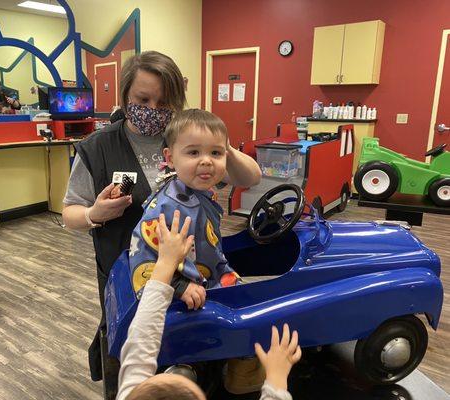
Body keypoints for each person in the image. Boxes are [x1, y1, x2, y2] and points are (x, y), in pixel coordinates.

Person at [61, 51, 261, 390]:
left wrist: (216, 142)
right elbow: (70, 213)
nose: (153, 109)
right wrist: (94, 214)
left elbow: (251, 178)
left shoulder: (188, 138)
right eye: (142, 99)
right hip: (130, 276)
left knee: (192, 354)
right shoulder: (98, 147)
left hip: (194, 275)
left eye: (164, 101)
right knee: (138, 359)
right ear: (125, 96)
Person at [117, 210, 302, 400]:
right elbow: (140, 343)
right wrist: (277, 380)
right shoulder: (132, 390)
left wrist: (165, 262)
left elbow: (142, 335)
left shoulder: (131, 394)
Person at [128, 109, 241, 310]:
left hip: (210, 277)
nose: (206, 160)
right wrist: (178, 286)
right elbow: (143, 261)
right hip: (180, 296)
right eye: (193, 152)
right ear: (170, 158)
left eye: (216, 153)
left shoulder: (204, 192)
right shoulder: (166, 207)